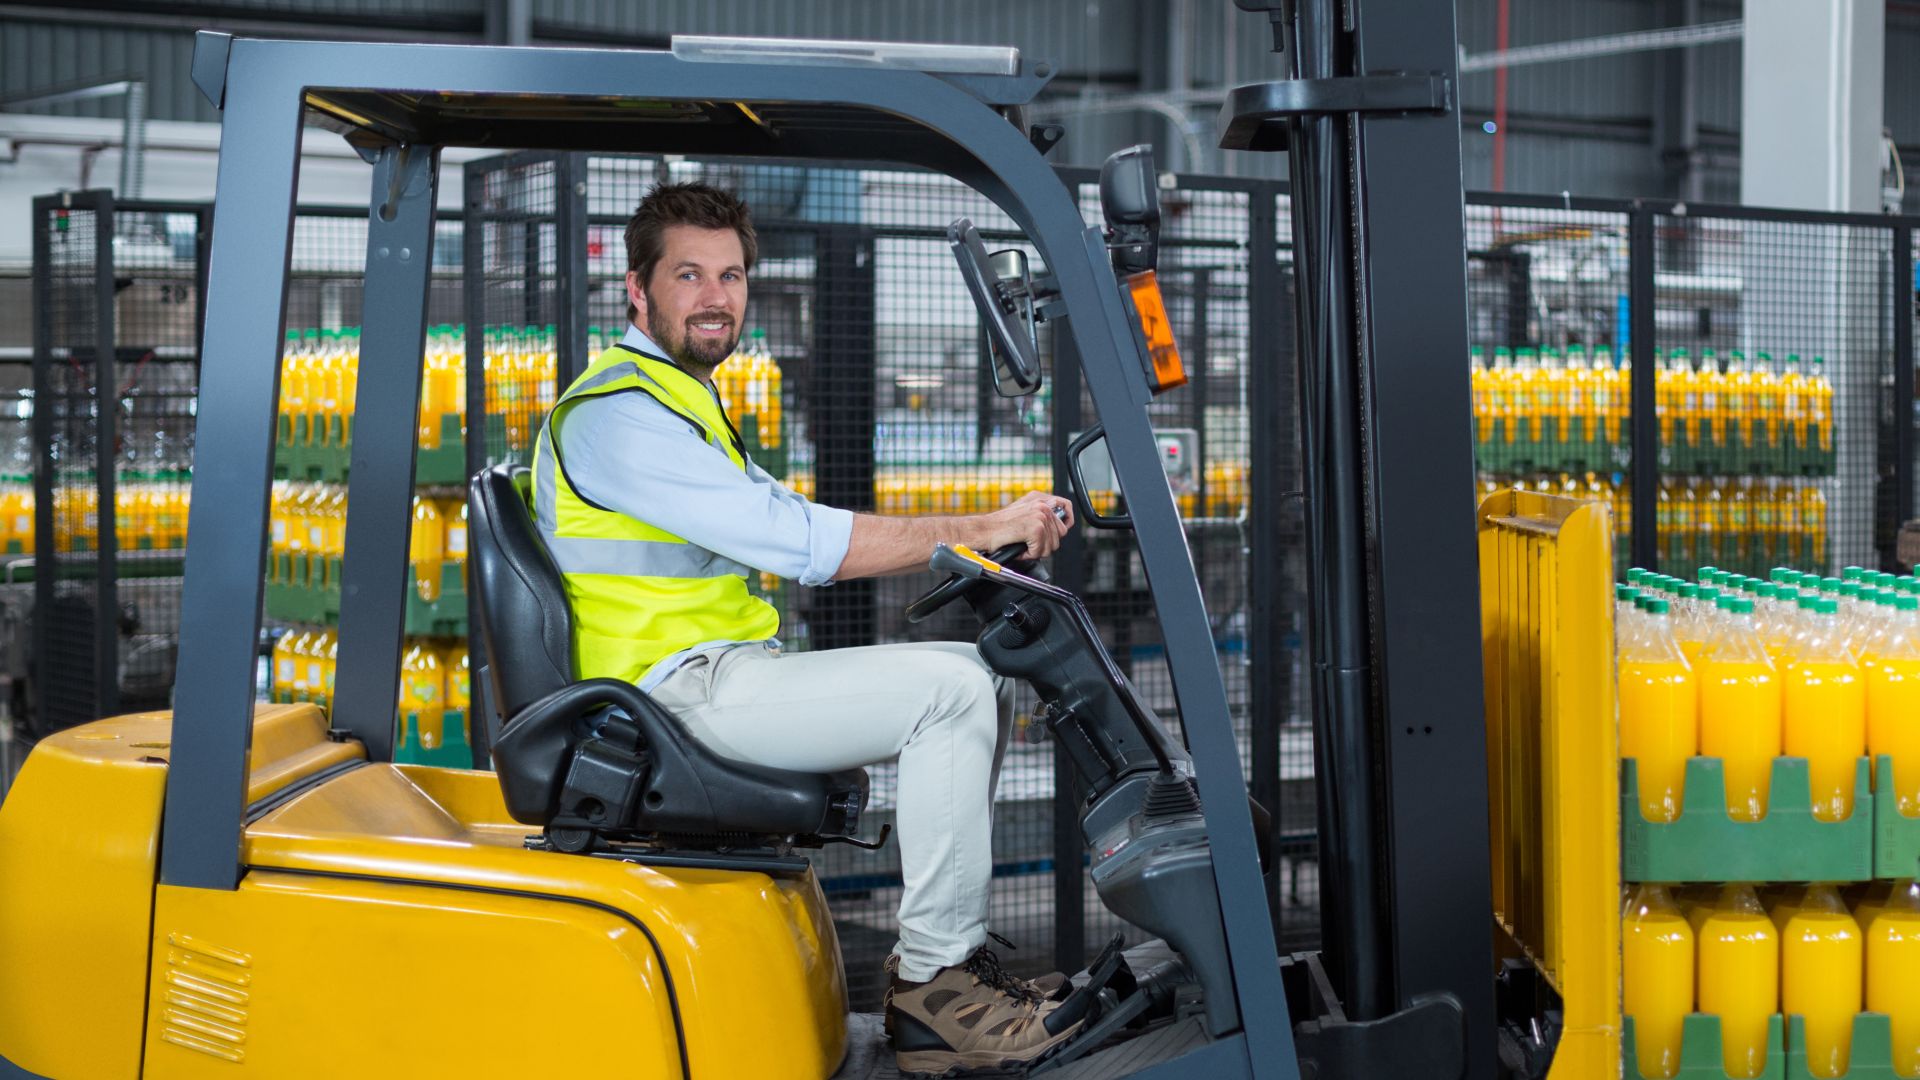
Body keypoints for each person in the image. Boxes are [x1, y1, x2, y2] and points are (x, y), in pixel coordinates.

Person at [530, 181, 1083, 1072]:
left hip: (704, 679)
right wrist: (982, 529)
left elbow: (784, 514)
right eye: (689, 275)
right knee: (951, 689)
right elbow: (800, 541)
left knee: (962, 676)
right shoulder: (618, 417)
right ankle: (938, 984)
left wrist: (973, 533)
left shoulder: (681, 400)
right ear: (637, 291)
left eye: (732, 276)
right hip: (667, 701)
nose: (717, 297)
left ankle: (948, 968)